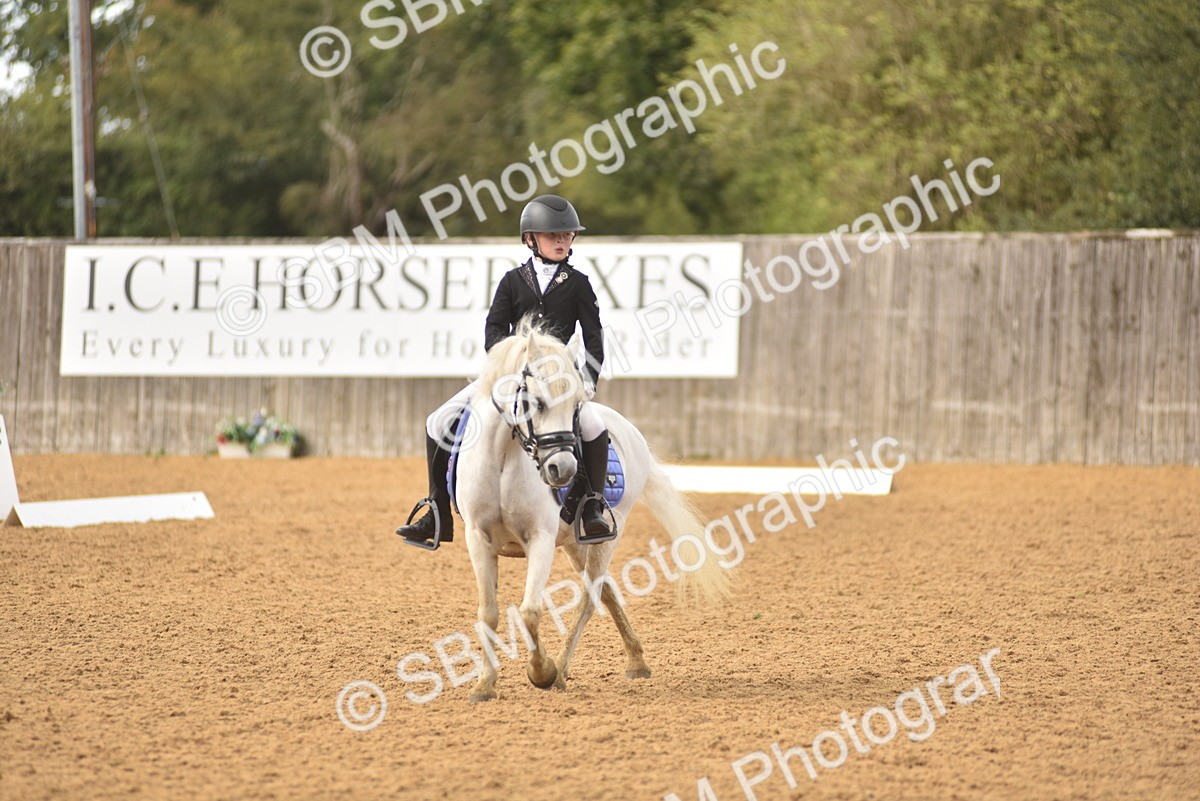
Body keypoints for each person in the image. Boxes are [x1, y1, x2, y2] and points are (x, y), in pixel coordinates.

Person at [396, 194, 613, 548]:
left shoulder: (578, 284)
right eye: (552, 235)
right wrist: (506, 363)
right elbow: (494, 330)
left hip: (558, 383)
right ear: (531, 239)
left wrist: (586, 381)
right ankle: (437, 510)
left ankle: (592, 505)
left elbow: (593, 337)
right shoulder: (513, 281)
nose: (561, 241)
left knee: (594, 425)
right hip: (509, 378)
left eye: (567, 235)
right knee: (438, 420)